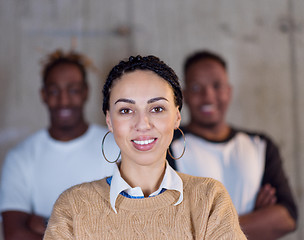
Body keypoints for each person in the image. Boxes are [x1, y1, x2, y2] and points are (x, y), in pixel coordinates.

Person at [43, 55, 247, 239]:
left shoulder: (209, 198)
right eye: (125, 110)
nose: (142, 124)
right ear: (109, 120)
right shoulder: (73, 206)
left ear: (177, 116)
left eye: (157, 108)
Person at [168, 50, 298, 239]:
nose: (208, 95)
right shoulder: (168, 146)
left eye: (217, 85)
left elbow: (287, 218)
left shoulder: (260, 144)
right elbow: (170, 227)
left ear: (229, 91)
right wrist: (257, 220)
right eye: (196, 88)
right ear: (184, 96)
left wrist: (205, 228)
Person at [0, 49, 118, 240]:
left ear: (86, 92)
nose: (64, 100)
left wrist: (47, 223)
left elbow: (125, 224)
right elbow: (15, 234)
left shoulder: (115, 146)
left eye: (73, 90)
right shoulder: (21, 157)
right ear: (43, 94)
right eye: (54, 91)